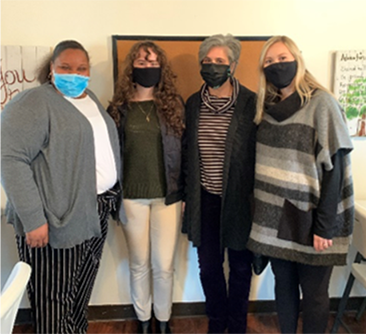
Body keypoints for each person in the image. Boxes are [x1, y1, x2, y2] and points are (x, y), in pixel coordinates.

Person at [0, 40, 124, 334]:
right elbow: (9, 157)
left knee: (79, 292)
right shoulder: (34, 102)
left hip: (94, 212)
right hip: (54, 221)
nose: (74, 74)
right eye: (65, 67)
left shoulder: (90, 98)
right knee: (54, 299)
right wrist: (33, 219)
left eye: (82, 68)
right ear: (51, 68)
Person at [247, 35, 354, 334]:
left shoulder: (323, 104)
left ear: (297, 59)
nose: (276, 65)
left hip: (312, 220)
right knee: (283, 289)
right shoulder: (265, 109)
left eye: (282, 58)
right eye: (268, 62)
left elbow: (336, 169)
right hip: (275, 219)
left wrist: (325, 226)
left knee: (315, 297)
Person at [182, 34, 257, 334]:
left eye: (220, 62)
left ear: (233, 65)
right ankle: (217, 321)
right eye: (207, 61)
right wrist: (188, 193)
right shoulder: (192, 103)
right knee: (209, 267)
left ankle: (237, 324)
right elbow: (188, 152)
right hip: (205, 199)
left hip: (240, 200)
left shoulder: (251, 102)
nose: (212, 67)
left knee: (240, 267)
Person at [108, 41, 184, 334]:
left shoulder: (174, 105)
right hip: (131, 198)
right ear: (132, 68)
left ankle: (162, 321)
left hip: (168, 197)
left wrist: (186, 193)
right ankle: (143, 320)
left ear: (161, 68)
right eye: (142, 63)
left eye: (153, 63)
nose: (148, 68)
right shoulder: (118, 108)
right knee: (139, 264)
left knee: (163, 265)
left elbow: (186, 151)